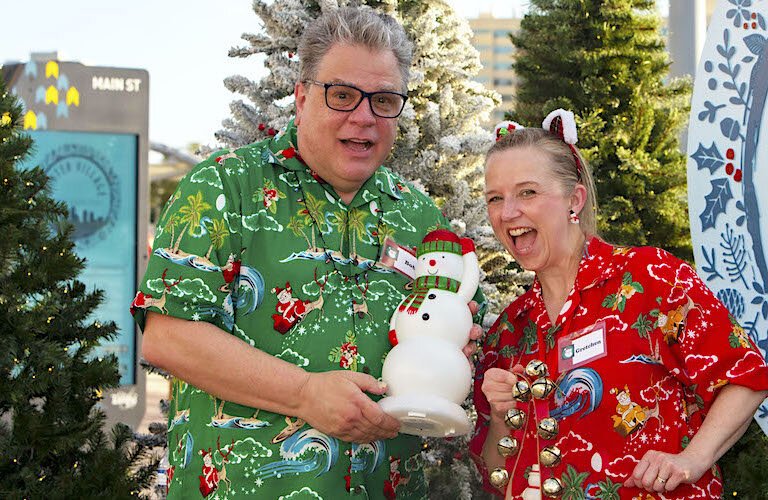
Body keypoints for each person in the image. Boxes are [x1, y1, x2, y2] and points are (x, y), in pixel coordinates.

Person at [134, 7, 483, 499]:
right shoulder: (226, 185)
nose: (363, 117)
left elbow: (458, 323)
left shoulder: (420, 216)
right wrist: (305, 394)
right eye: (341, 95)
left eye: (383, 100)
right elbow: (168, 337)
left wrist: (455, 343)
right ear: (301, 97)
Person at [469, 109, 768, 499]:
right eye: (496, 198)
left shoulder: (649, 277)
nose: (508, 212)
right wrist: (498, 416)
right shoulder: (509, 331)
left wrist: (693, 458)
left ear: (574, 199)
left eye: (528, 192)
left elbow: (745, 375)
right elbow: (495, 475)